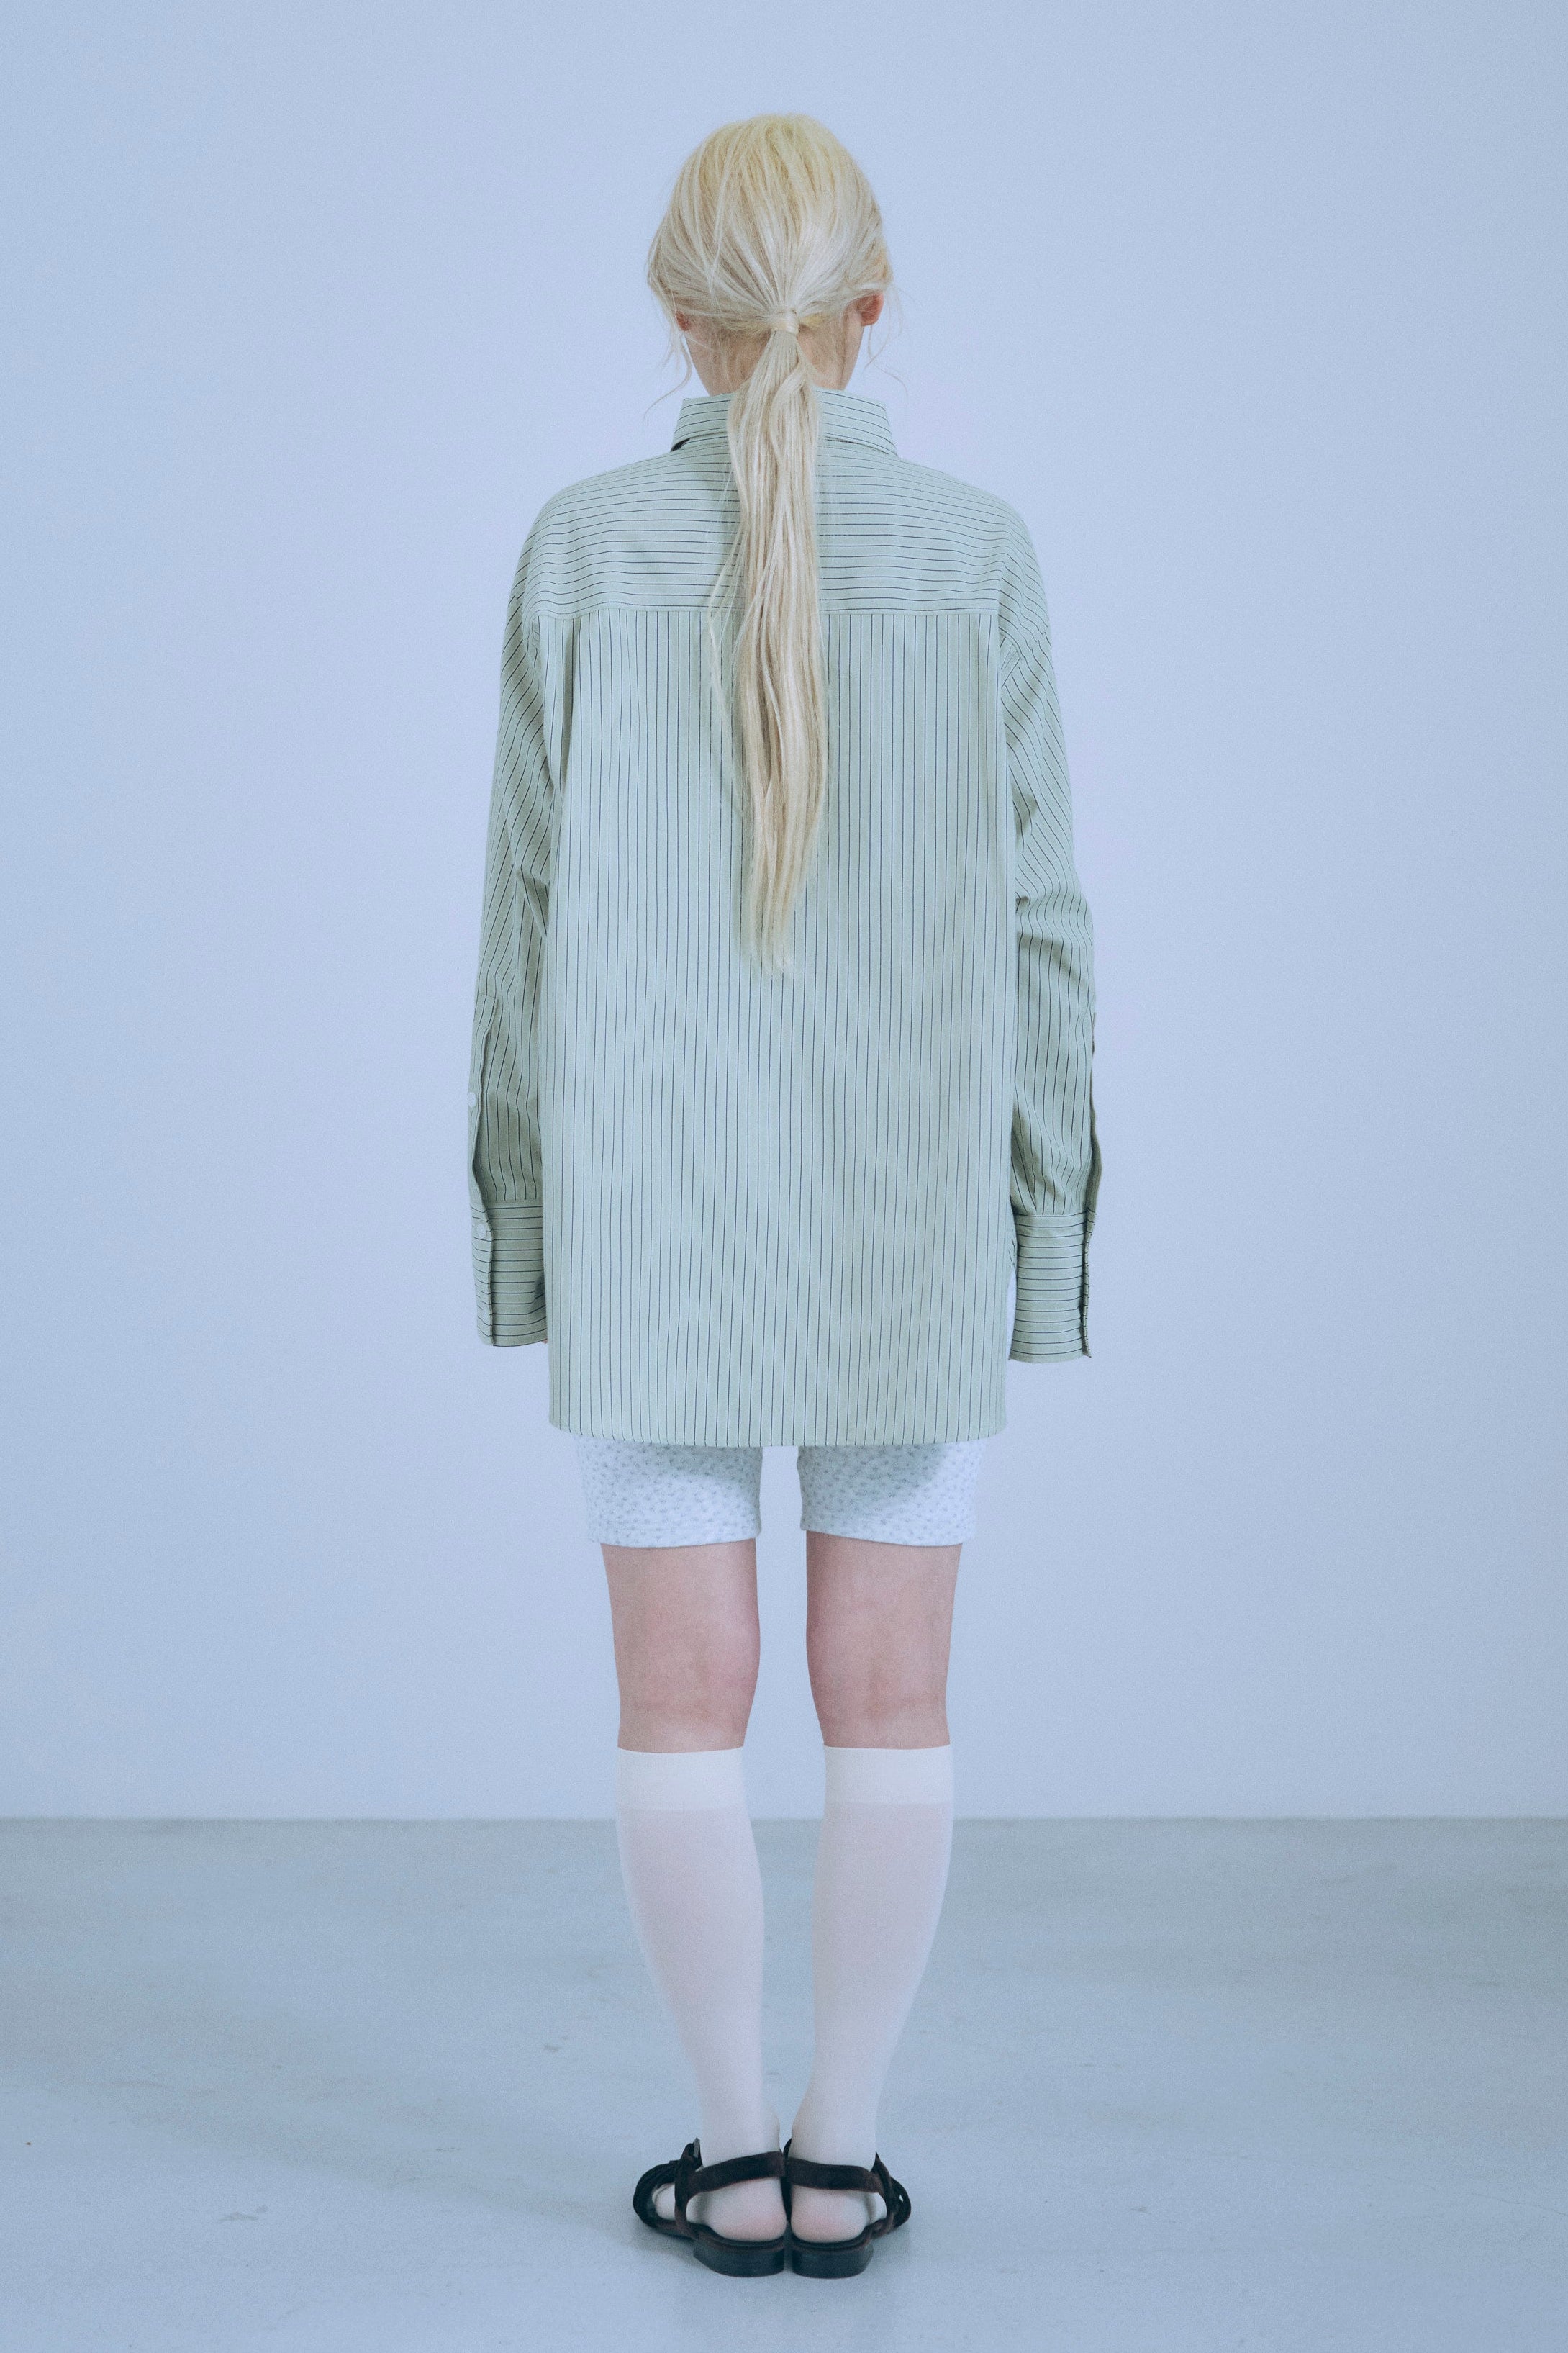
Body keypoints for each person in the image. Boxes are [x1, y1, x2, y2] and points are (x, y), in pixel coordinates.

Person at [466, 112, 1100, 2280]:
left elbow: (521, 923)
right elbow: (1044, 927)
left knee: (678, 1697)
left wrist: (524, 1222)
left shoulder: (577, 549)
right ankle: (844, 2157)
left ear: (678, 312)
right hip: (907, 1210)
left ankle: (729, 2156)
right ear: (869, 307)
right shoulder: (977, 554)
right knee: (891, 1696)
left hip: (647, 1211)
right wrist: (1040, 1231)